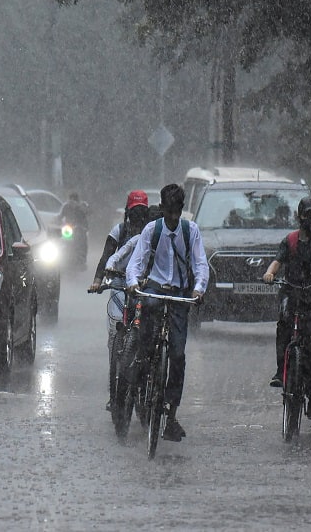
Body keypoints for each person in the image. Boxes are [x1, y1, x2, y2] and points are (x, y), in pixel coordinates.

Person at [125, 184, 209, 442]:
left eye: (177, 212)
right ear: (162, 209)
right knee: (145, 342)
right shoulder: (152, 230)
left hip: (180, 295)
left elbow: (200, 263)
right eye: (169, 212)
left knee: (178, 355)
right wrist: (133, 282)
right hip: (154, 290)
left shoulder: (190, 231)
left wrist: (198, 289)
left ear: (181, 210)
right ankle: (140, 376)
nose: (173, 218)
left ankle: (171, 414)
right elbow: (136, 263)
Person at [263, 196, 311, 419]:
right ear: (300, 217)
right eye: (308, 215)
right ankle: (281, 371)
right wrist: (270, 273)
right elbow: (277, 262)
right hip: (291, 293)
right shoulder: (290, 240)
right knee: (284, 326)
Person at [89, 190, 150, 411]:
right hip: (119, 285)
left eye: (142, 212)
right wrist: (98, 280)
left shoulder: (152, 231)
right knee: (115, 336)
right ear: (127, 212)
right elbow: (106, 256)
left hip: (143, 287)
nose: (138, 217)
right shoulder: (119, 231)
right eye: (134, 212)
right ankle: (114, 388)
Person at [58, 191, 91, 268]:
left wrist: (82, 227)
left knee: (83, 243)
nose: (72, 202)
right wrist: (56, 222)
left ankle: (82, 261)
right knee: (62, 241)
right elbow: (60, 216)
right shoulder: (66, 206)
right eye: (71, 199)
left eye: (74, 199)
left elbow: (88, 212)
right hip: (68, 229)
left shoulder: (82, 206)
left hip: (80, 228)